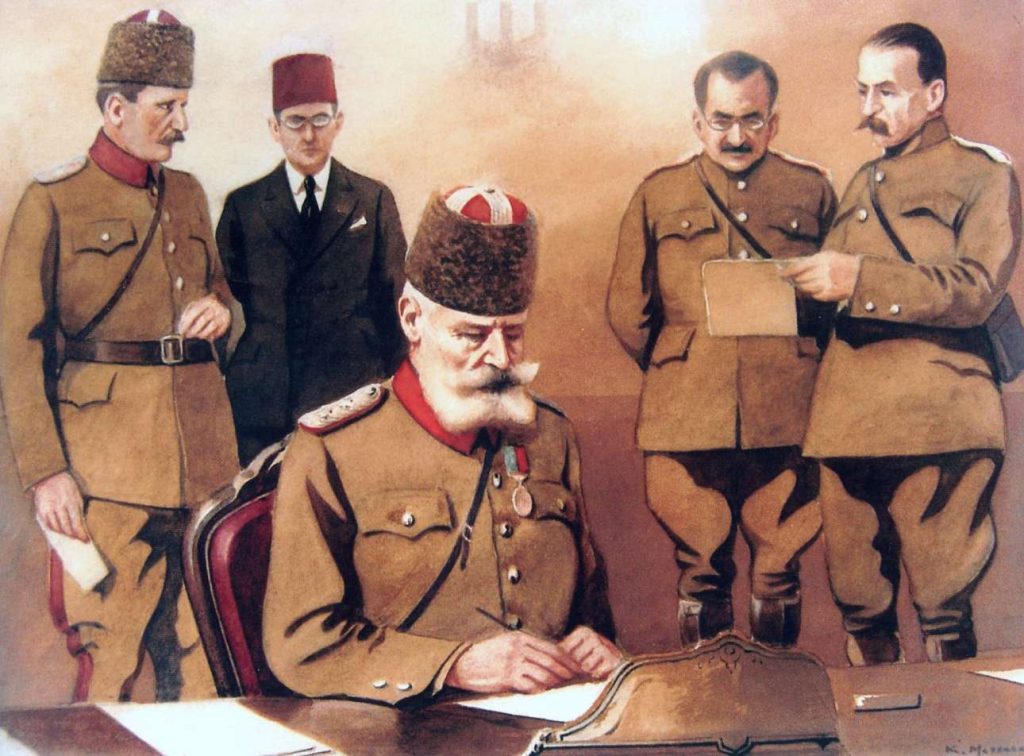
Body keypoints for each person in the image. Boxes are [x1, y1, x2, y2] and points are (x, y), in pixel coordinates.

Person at [263, 185, 620, 704]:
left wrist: (596, 646)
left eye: (513, 334)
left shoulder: (552, 435)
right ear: (412, 320)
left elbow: (591, 613)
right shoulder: (333, 448)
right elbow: (301, 643)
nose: (500, 358)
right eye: (472, 336)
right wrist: (453, 666)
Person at [0, 10, 237, 700]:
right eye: (166, 107)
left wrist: (223, 311)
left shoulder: (188, 194)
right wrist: (47, 472)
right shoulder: (52, 200)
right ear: (115, 109)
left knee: (204, 658)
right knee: (111, 654)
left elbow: (222, 290)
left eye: (184, 105)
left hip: (203, 460)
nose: (181, 123)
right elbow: (16, 349)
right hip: (103, 470)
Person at [783, 23, 1020, 664]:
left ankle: (953, 719)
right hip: (846, 427)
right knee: (860, 606)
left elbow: (976, 289)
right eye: (862, 92)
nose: (869, 109)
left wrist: (859, 279)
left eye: (886, 92)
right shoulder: (864, 180)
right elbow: (836, 295)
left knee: (943, 605)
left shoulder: (983, 174)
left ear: (934, 94)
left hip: (939, 420)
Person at [607, 51, 837, 648]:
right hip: (686, 420)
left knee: (778, 568)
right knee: (701, 568)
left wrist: (795, 363)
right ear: (697, 121)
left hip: (786, 417)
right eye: (722, 120)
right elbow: (628, 308)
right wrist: (683, 367)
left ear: (773, 122)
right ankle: (704, 685)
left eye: (752, 120)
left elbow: (832, 307)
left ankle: (775, 687)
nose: (737, 136)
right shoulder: (659, 193)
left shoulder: (810, 190)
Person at [217, 51, 407, 464]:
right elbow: (227, 295)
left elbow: (394, 304)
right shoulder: (244, 206)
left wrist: (397, 392)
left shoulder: (372, 200)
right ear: (274, 128)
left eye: (320, 120)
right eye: (295, 122)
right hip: (267, 401)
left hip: (352, 393)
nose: (308, 135)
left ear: (338, 122)